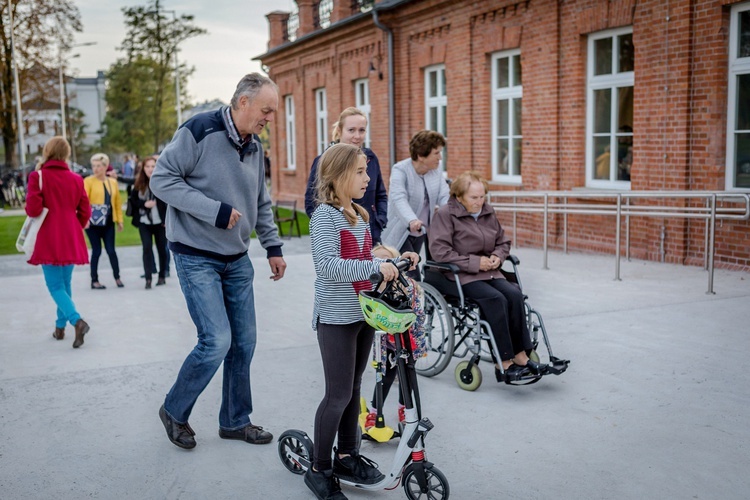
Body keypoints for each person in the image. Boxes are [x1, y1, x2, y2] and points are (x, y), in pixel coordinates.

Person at [150, 73, 286, 451]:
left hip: (237, 259)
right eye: (266, 110)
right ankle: (174, 411)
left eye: (272, 112)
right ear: (243, 102)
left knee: (244, 343)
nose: (269, 118)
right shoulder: (198, 130)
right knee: (216, 341)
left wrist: (272, 247)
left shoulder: (255, 146)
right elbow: (162, 181)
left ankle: (235, 421)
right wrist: (214, 211)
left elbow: (260, 200)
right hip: (196, 257)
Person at [307, 142, 419, 499]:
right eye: (359, 171)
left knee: (354, 391)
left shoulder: (359, 215)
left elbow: (366, 255)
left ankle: (347, 455)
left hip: (361, 313)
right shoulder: (324, 216)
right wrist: (375, 266)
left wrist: (395, 257)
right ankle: (320, 469)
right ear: (338, 175)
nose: (367, 178)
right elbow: (328, 266)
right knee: (337, 395)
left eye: (366, 171)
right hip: (336, 318)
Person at [429, 172, 548, 381]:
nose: (479, 202)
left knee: (514, 295)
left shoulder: (487, 212)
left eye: (482, 196)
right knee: (495, 299)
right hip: (458, 275)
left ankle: (521, 355)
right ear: (459, 197)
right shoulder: (446, 214)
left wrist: (497, 256)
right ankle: (503, 362)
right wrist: (475, 262)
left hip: (490, 272)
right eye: (474, 198)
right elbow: (440, 252)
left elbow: (503, 242)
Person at [25, 137, 92, 348]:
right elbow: (85, 211)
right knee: (64, 284)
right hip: (70, 234)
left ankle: (76, 321)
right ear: (67, 154)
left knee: (55, 286)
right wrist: (74, 225)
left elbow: (33, 210)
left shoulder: (38, 176)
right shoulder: (76, 179)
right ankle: (59, 327)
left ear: (47, 151)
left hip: (48, 236)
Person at [363, 244, 426, 430]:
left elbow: (417, 314)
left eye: (388, 261)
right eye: (378, 261)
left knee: (407, 377)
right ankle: (374, 412)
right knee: (385, 377)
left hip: (407, 340)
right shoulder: (372, 287)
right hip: (387, 344)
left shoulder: (408, 286)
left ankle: (405, 410)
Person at [304, 107, 388, 244]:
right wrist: (330, 228)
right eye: (351, 130)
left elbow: (381, 194)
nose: (357, 136)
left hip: (371, 234)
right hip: (342, 238)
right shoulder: (325, 161)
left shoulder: (371, 158)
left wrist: (380, 221)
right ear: (339, 131)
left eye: (362, 130)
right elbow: (311, 202)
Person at [380, 129, 450, 280]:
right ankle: (408, 301)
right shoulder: (400, 170)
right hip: (401, 230)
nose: (440, 157)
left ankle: (409, 300)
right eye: (436, 153)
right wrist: (411, 219)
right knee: (411, 274)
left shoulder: (435, 172)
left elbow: (445, 196)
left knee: (409, 273)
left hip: (420, 231)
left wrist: (453, 214)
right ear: (421, 156)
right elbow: (399, 198)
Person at [84, 153, 124, 290]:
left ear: (105, 166)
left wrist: (120, 220)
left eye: (99, 166)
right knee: (96, 251)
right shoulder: (88, 181)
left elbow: (117, 203)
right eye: (93, 166)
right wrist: (84, 220)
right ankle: (94, 280)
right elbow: (83, 202)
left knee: (111, 250)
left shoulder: (112, 182)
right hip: (92, 223)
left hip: (108, 223)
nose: (96, 169)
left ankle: (117, 277)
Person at [129, 156, 167, 289]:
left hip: (160, 222)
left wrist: (166, 219)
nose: (150, 169)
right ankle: (148, 278)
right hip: (145, 221)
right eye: (147, 166)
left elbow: (169, 201)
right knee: (146, 248)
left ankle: (162, 275)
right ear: (143, 168)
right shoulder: (139, 183)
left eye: (153, 166)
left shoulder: (162, 181)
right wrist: (144, 203)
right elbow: (133, 201)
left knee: (162, 249)